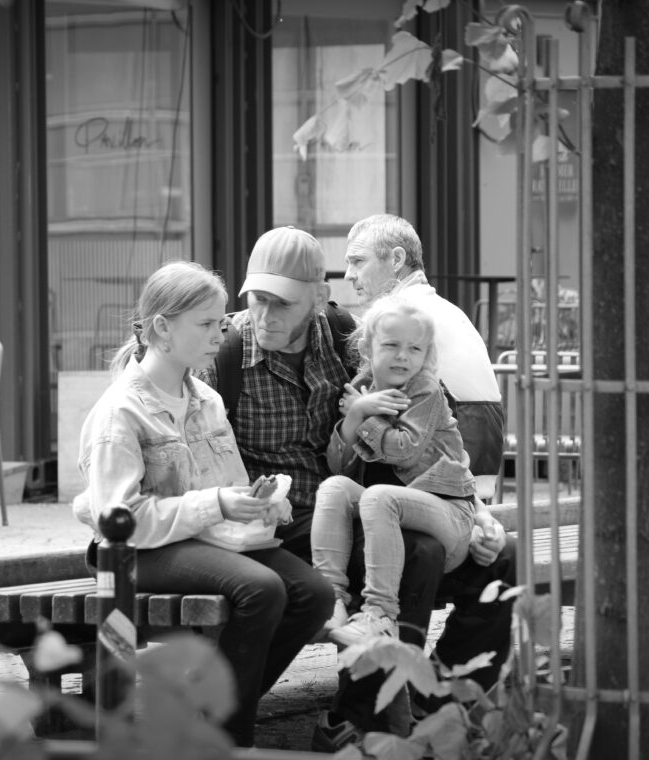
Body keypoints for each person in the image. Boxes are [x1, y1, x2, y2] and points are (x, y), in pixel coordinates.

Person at [201, 223, 514, 751]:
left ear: (320, 300)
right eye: (255, 300)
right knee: (416, 553)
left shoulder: (349, 340)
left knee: (500, 557)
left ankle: (439, 706)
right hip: (275, 523)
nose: (264, 315)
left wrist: (479, 513)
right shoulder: (226, 354)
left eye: (281, 303)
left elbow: (437, 442)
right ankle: (365, 725)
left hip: (351, 506)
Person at [72, 260, 333, 748]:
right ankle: (227, 737)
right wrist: (216, 504)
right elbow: (119, 521)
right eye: (208, 324)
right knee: (262, 588)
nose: (224, 332)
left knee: (313, 595)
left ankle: (204, 714)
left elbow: (229, 485)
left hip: (201, 541)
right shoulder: (119, 411)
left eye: (222, 322)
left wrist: (258, 503)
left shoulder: (208, 398)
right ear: (162, 329)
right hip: (132, 554)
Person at [314, 294, 496, 646]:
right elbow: (338, 463)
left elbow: (404, 449)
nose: (403, 356)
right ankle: (330, 600)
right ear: (368, 347)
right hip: (407, 510)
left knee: (380, 498)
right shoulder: (363, 388)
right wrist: (356, 413)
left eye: (415, 349)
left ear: (427, 354)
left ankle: (379, 614)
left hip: (450, 515)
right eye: (392, 345)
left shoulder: (425, 390)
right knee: (335, 488)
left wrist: (368, 417)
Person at [344, 213, 505, 476]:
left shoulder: (401, 316)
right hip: (479, 460)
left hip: (447, 467)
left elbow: (362, 392)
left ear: (396, 259)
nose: (350, 275)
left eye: (358, 261)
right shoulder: (446, 309)